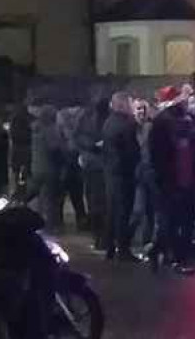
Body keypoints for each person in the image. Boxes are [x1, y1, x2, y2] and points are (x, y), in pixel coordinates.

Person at [148, 85, 195, 275]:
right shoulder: (163, 124)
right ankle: (177, 257)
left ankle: (164, 252)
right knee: (173, 221)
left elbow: (194, 150)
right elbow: (157, 156)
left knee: (183, 220)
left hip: (185, 179)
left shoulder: (186, 122)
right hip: (172, 181)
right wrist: (163, 180)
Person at [101, 92, 141, 262]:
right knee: (123, 212)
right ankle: (123, 250)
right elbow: (131, 150)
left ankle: (109, 246)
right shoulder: (127, 124)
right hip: (124, 173)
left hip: (110, 172)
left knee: (112, 211)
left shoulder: (108, 122)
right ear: (124, 104)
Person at [76, 97, 110, 251]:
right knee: (102, 204)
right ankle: (102, 238)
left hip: (91, 165)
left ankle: (99, 238)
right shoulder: (103, 119)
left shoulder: (86, 118)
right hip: (100, 165)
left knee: (95, 202)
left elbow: (78, 137)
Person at [26, 105, 64, 230]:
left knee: (37, 199)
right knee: (49, 199)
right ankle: (49, 226)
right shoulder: (50, 130)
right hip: (50, 169)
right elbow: (55, 149)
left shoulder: (34, 129)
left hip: (36, 167)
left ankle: (33, 222)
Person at [130, 99, 158, 252]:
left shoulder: (150, 128)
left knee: (149, 211)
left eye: (143, 109)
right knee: (138, 210)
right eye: (138, 109)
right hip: (136, 175)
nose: (141, 112)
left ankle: (146, 243)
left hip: (149, 173)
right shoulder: (130, 128)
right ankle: (126, 239)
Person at [57, 106, 88, 231]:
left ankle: (59, 221)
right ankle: (81, 220)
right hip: (72, 159)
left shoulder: (60, 120)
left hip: (67, 161)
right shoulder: (79, 119)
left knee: (66, 194)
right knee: (76, 194)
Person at [7, 104, 32, 197]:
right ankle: (23, 189)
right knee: (25, 171)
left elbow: (12, 134)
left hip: (17, 149)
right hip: (25, 149)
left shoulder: (14, 120)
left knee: (16, 171)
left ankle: (18, 190)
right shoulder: (27, 120)